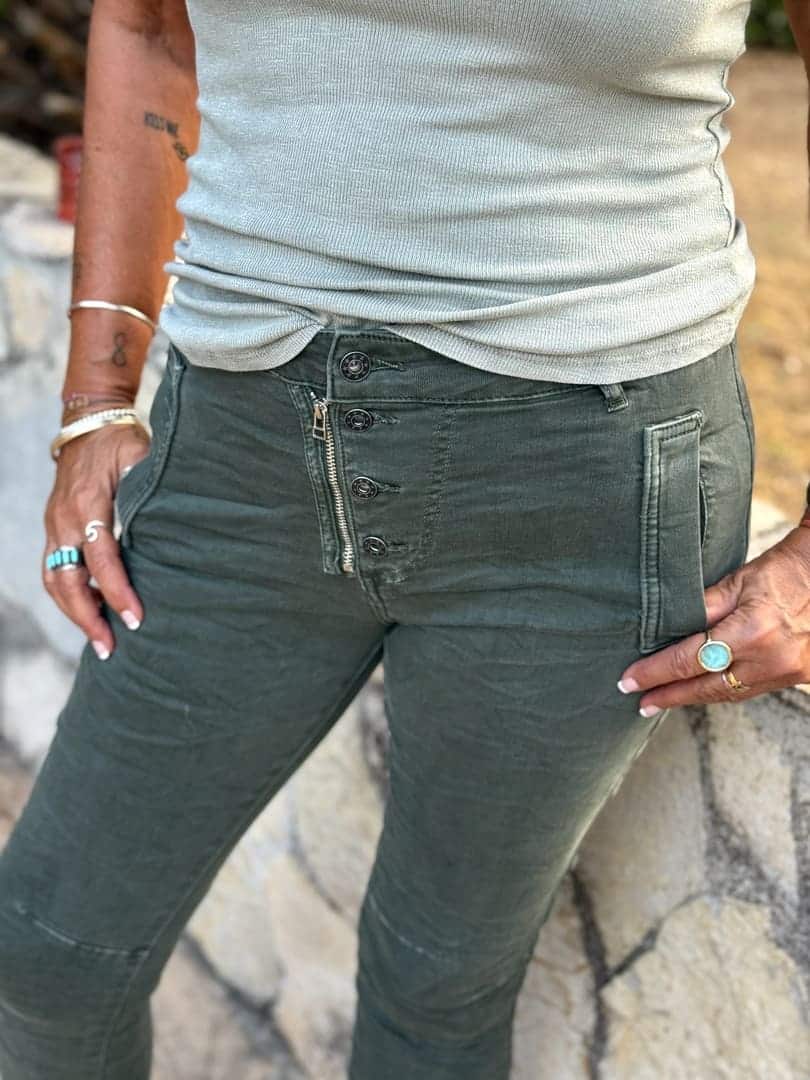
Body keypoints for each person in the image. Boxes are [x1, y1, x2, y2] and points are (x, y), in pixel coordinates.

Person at [1, 1, 809, 1077]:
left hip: (588, 481)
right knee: (49, 954)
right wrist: (96, 400)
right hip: (238, 451)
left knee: (433, 997)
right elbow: (145, 26)